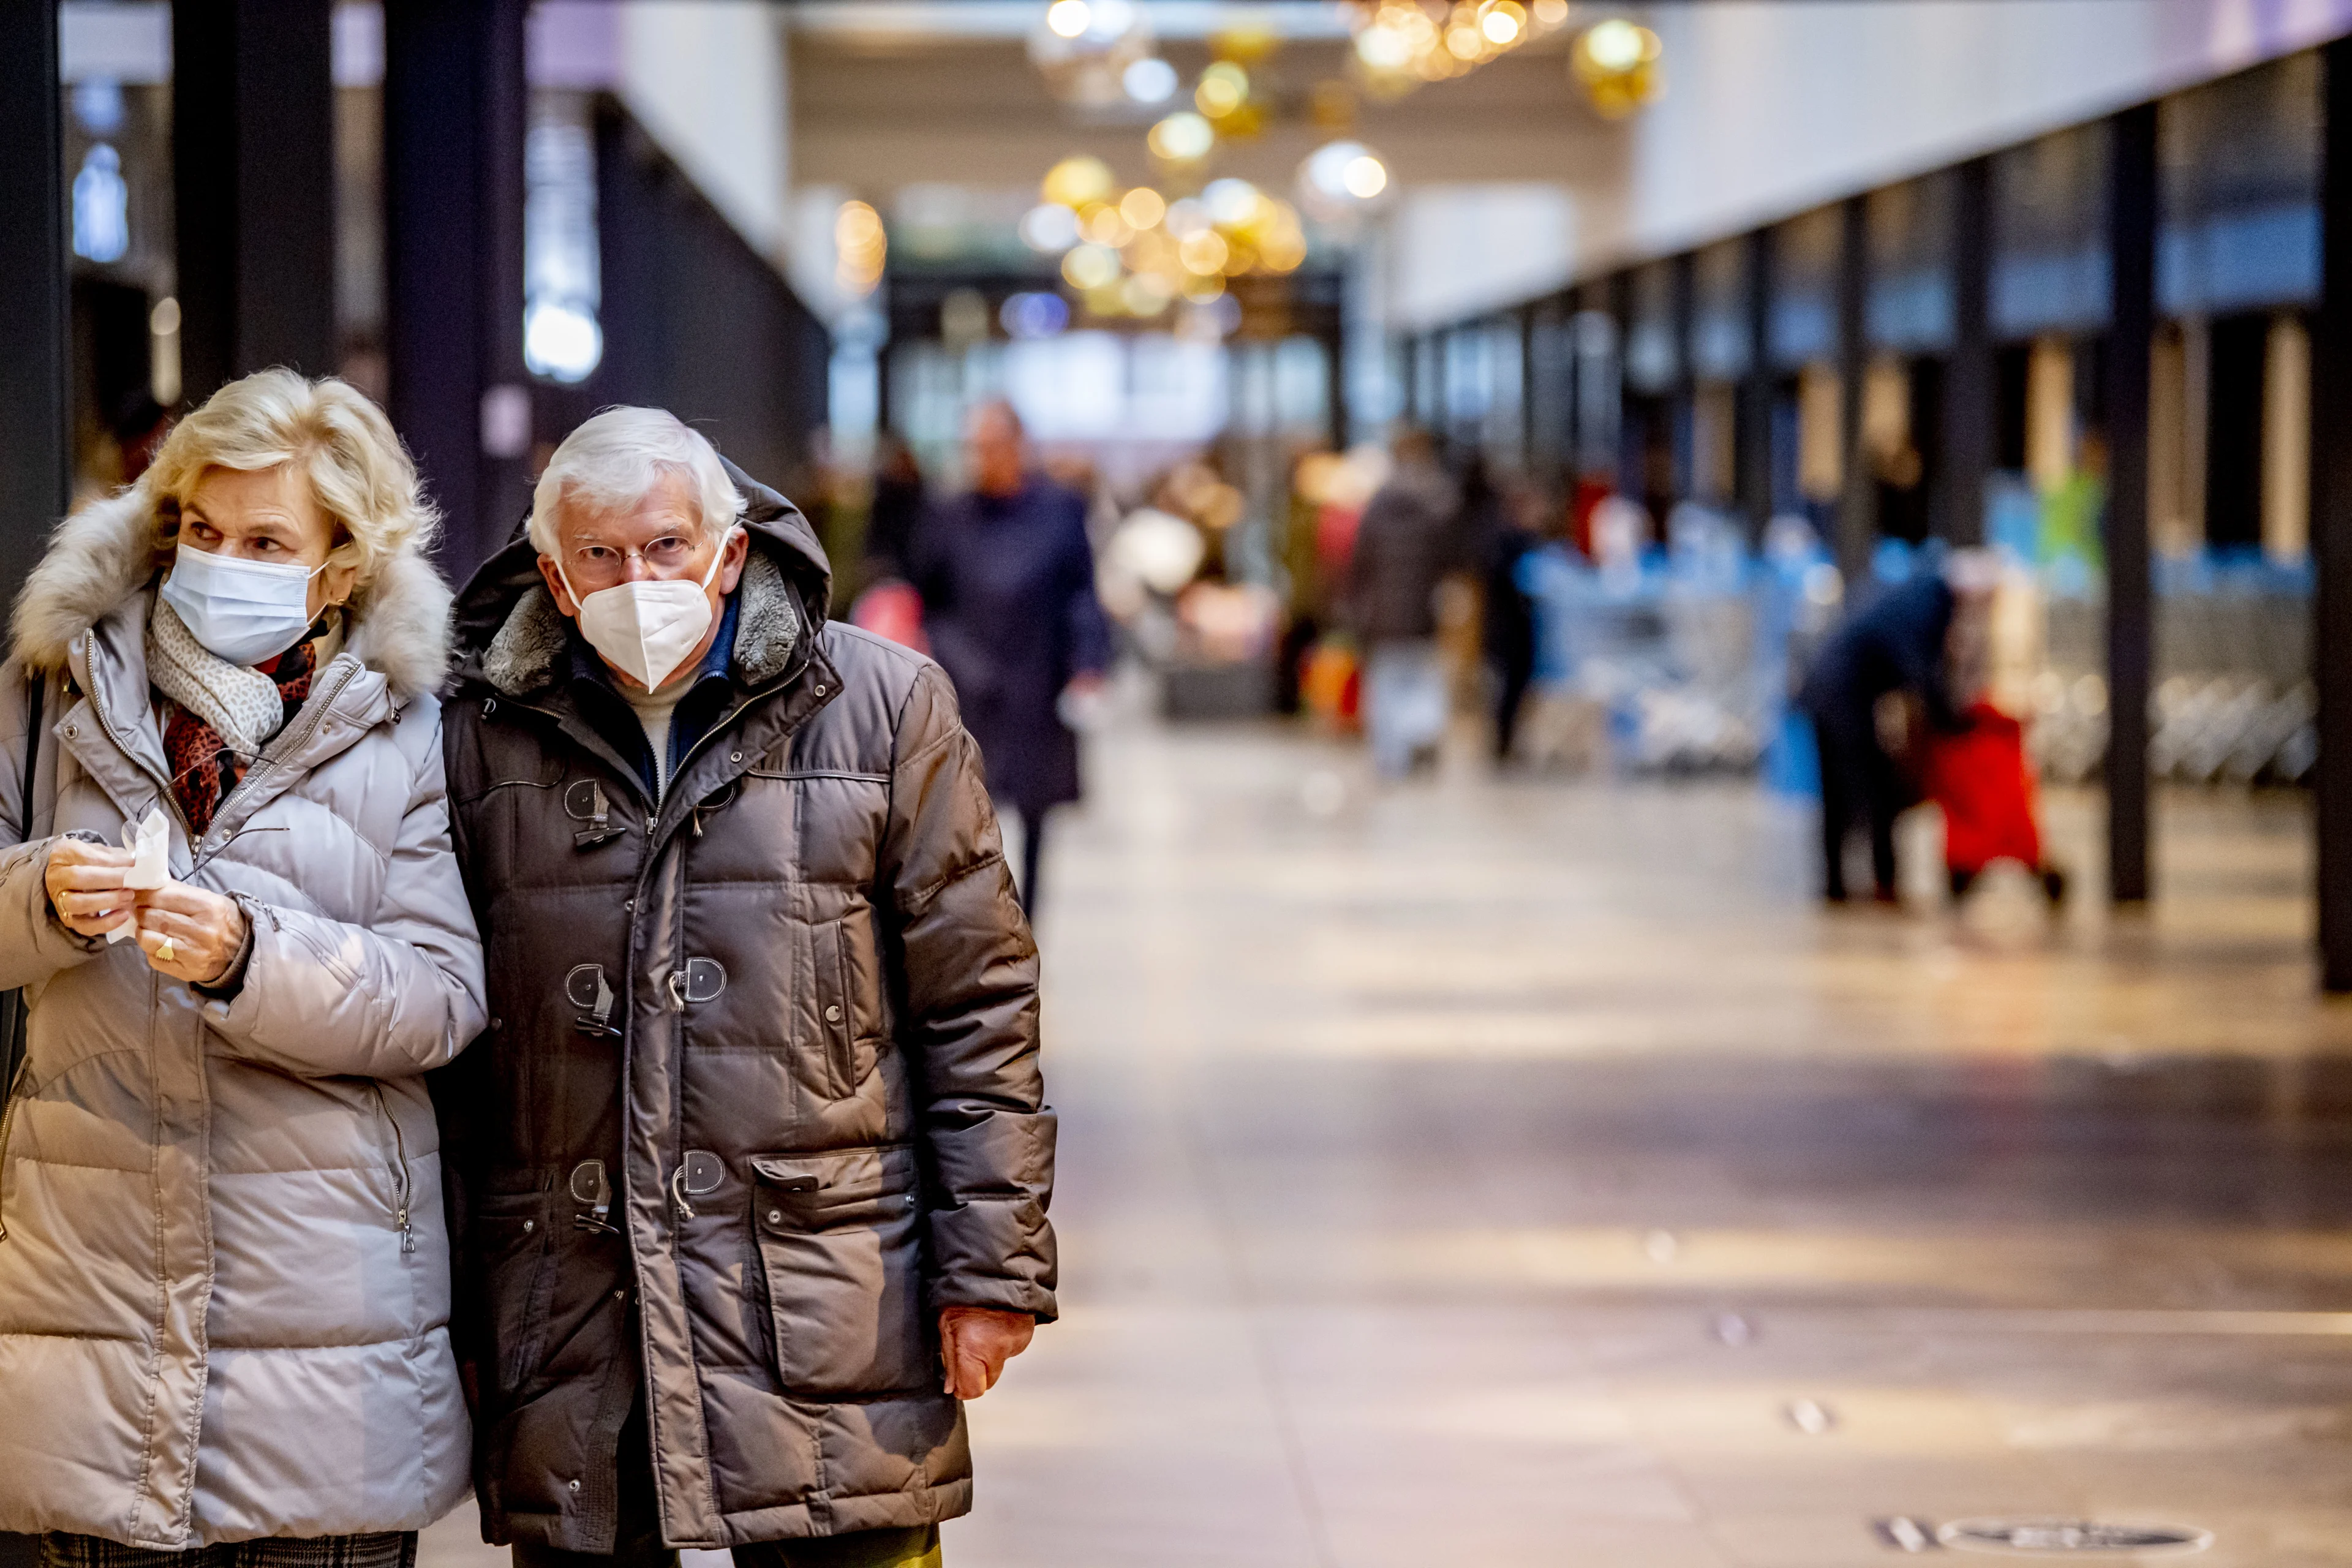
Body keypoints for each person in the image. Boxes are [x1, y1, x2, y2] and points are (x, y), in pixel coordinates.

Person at [437, 407, 1054, 1568]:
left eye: (666, 546)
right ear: (556, 583)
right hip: (576, 1302)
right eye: (602, 557)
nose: (639, 579)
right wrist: (459, 1309)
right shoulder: (478, 737)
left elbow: (976, 1004)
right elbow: (456, 1057)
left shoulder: (882, 706)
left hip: (830, 1296)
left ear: (728, 551)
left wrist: (991, 1264)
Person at [0, 369, 488, 1561]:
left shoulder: (408, 725)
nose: (222, 561)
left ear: (338, 569)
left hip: (329, 1347)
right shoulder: (52, 690)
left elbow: (440, 993)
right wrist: (44, 896)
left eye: (266, 539)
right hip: (92, 1313)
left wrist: (248, 958)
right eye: (203, 530)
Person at [909, 400, 1108, 914]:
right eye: (974, 448)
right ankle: (977, 923)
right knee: (968, 807)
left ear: (1018, 446)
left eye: (992, 446)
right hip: (971, 683)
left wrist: (1088, 663)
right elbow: (929, 601)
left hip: (1039, 677)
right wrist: (956, 661)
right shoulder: (950, 515)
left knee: (1038, 809)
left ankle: (1029, 922)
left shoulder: (1059, 509)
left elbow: (1081, 592)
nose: (982, 458)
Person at [1797, 551, 1991, 903]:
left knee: (1839, 793)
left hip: (1825, 691)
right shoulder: (1927, 606)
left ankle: (1837, 884)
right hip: (1842, 699)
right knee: (1873, 790)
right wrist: (1953, 722)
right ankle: (1882, 882)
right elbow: (1917, 670)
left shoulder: (1913, 595)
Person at [1346, 426, 1461, 778]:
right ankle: (1419, 736)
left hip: (1381, 616)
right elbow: (1448, 564)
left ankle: (1391, 758)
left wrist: (1357, 608)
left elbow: (1358, 567)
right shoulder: (1437, 504)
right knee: (1421, 678)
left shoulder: (1376, 508)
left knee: (1385, 684)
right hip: (1422, 613)